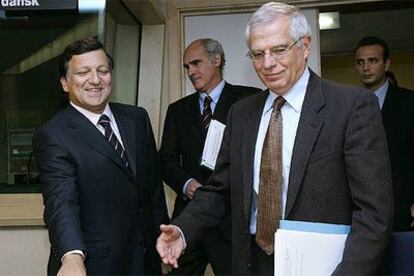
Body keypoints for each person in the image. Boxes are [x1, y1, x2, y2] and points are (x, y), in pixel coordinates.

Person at [156, 2, 393, 275]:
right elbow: (221, 189)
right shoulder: (242, 113)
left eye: (279, 49)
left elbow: (374, 213)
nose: (267, 63)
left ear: (305, 46)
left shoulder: (350, 107)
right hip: (250, 261)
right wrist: (183, 230)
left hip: (325, 267)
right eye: (258, 54)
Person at [32, 37, 169, 276]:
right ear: (65, 83)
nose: (95, 80)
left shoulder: (137, 119)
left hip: (146, 261)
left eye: (102, 70)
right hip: (95, 266)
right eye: (83, 72)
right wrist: (72, 255)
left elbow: (153, 190)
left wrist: (163, 243)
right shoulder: (53, 135)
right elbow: (61, 201)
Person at [159, 38, 261, 275]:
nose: (191, 72)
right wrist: (187, 185)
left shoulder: (249, 100)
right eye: (187, 67)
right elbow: (166, 161)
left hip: (232, 220)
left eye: (196, 63)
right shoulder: (177, 110)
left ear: (216, 61)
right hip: (189, 220)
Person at [355, 36, 414, 231]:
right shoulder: (348, 105)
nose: (366, 67)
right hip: (361, 212)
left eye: (373, 60)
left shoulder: (409, 103)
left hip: (402, 208)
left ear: (386, 63)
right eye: (360, 62)